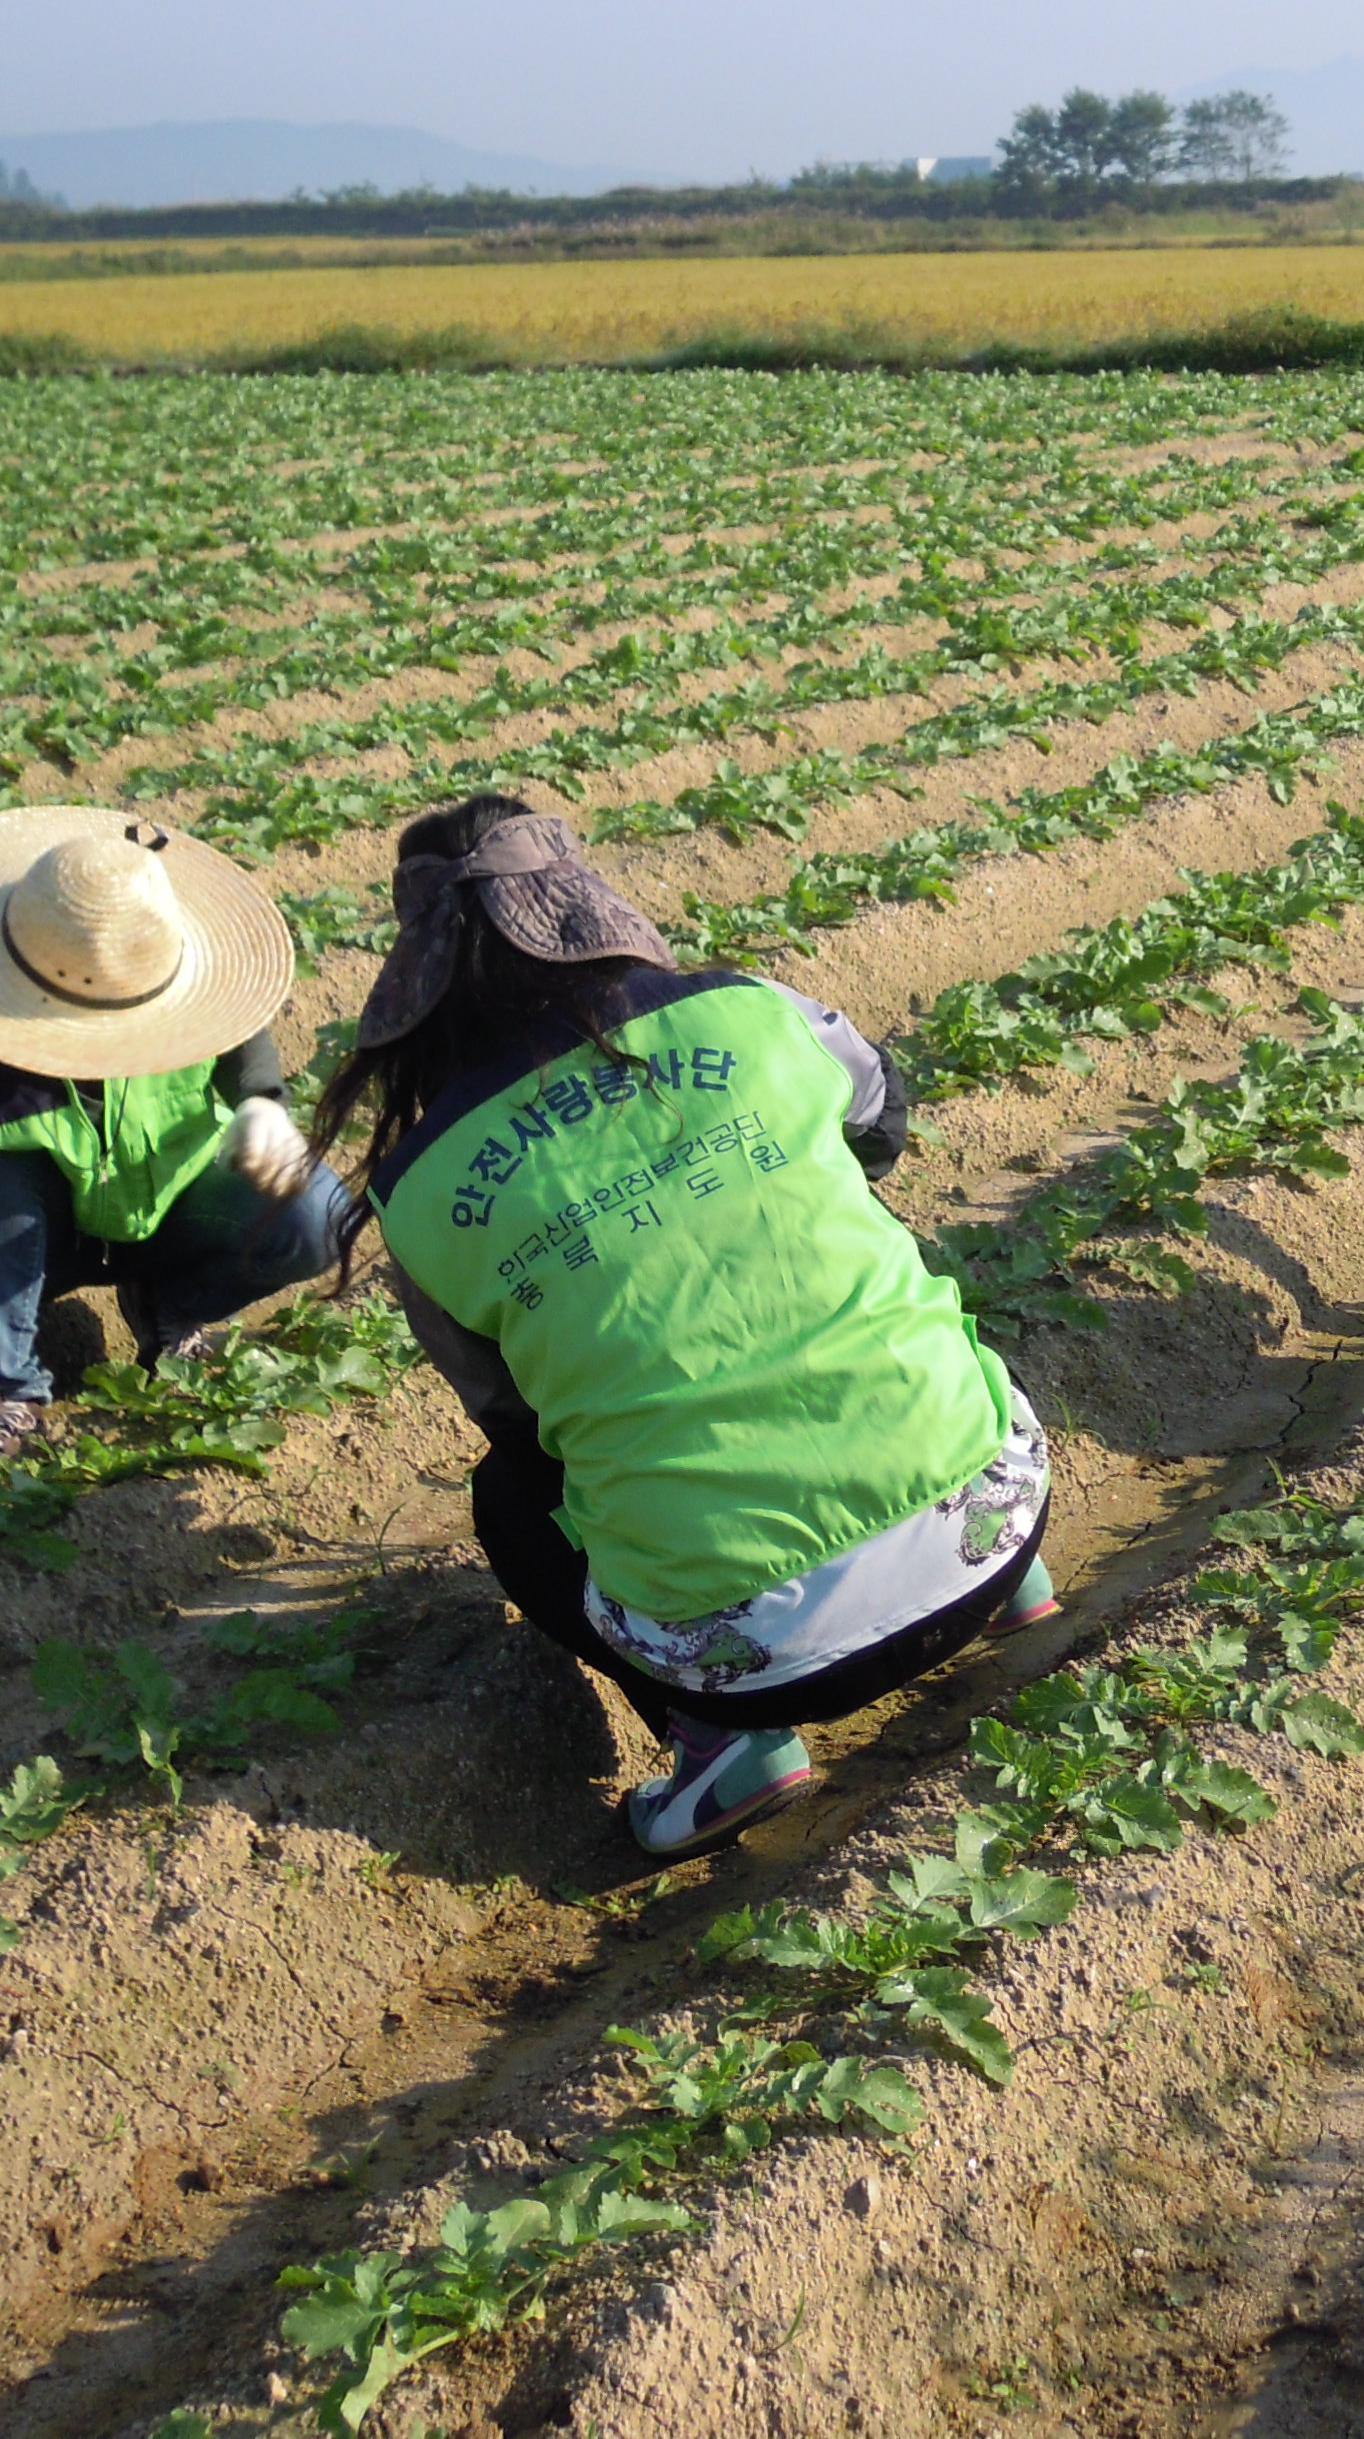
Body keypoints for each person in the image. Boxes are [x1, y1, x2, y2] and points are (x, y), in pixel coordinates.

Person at [310, 795, 1058, 1856]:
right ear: (576, 899)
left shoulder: (419, 1184)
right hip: (1001, 1512)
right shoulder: (745, 1008)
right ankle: (1000, 1566)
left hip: (758, 1659)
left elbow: (515, 1422)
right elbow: (880, 1119)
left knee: (514, 1498)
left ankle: (723, 1744)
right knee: (860, 1238)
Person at [0, 807, 358, 1464]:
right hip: (5, 1245)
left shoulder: (192, 987)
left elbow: (250, 1056)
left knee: (319, 1210)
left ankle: (172, 1309)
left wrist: (263, 1107)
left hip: (160, 1212)